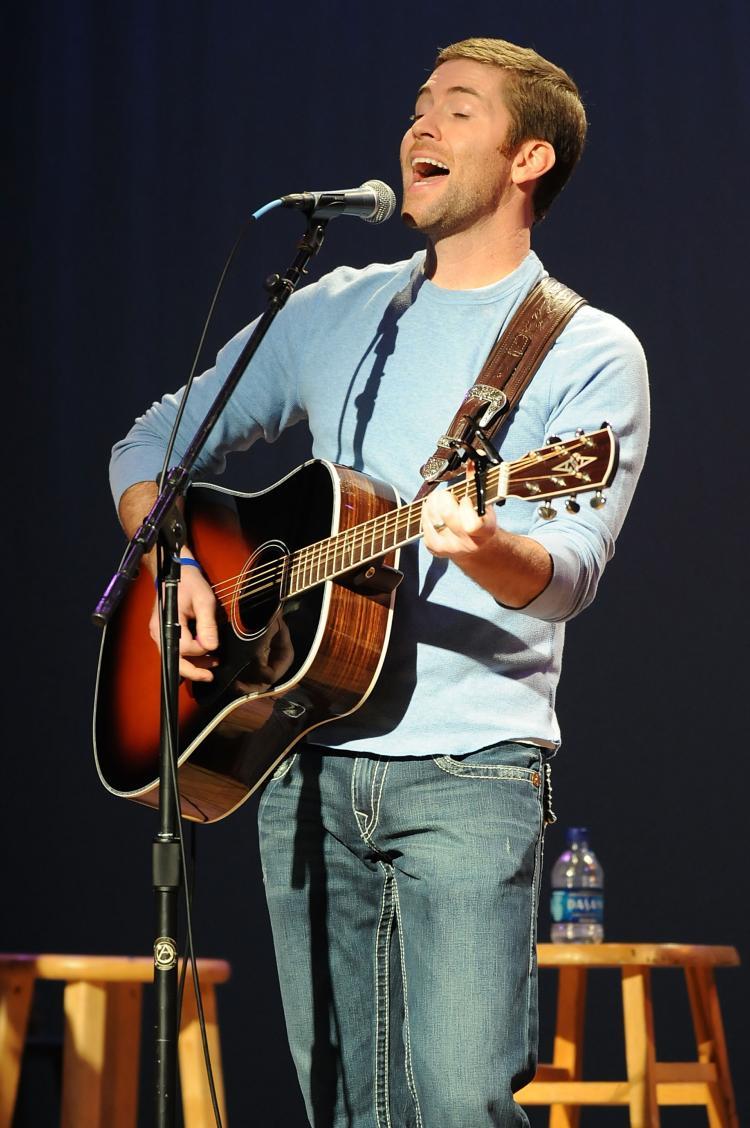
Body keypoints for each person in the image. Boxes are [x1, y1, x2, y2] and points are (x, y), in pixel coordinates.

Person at [110, 36, 649, 1128]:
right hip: (298, 756)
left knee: (458, 1106)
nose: (420, 127)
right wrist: (177, 564)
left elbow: (569, 572)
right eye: (417, 107)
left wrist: (480, 545)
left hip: (470, 773)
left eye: (459, 108)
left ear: (529, 158)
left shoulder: (587, 348)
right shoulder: (335, 307)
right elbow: (150, 444)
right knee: (344, 1109)